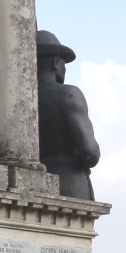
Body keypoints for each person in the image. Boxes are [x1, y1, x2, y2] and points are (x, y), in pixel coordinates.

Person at [36, 30, 101, 200]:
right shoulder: (69, 94)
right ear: (56, 62)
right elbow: (90, 154)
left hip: (34, 182)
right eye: (64, 63)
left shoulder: (20, 100)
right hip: (70, 183)